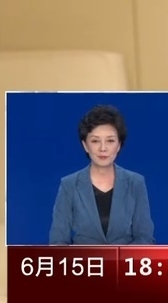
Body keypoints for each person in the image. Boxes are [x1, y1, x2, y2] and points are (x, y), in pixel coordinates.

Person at [49, 104, 155, 245]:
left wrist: (118, 257)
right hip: (83, 259)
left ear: (119, 145)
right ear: (85, 145)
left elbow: (144, 238)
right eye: (95, 141)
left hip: (125, 259)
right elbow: (57, 243)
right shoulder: (69, 185)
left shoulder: (135, 183)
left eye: (110, 141)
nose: (103, 148)